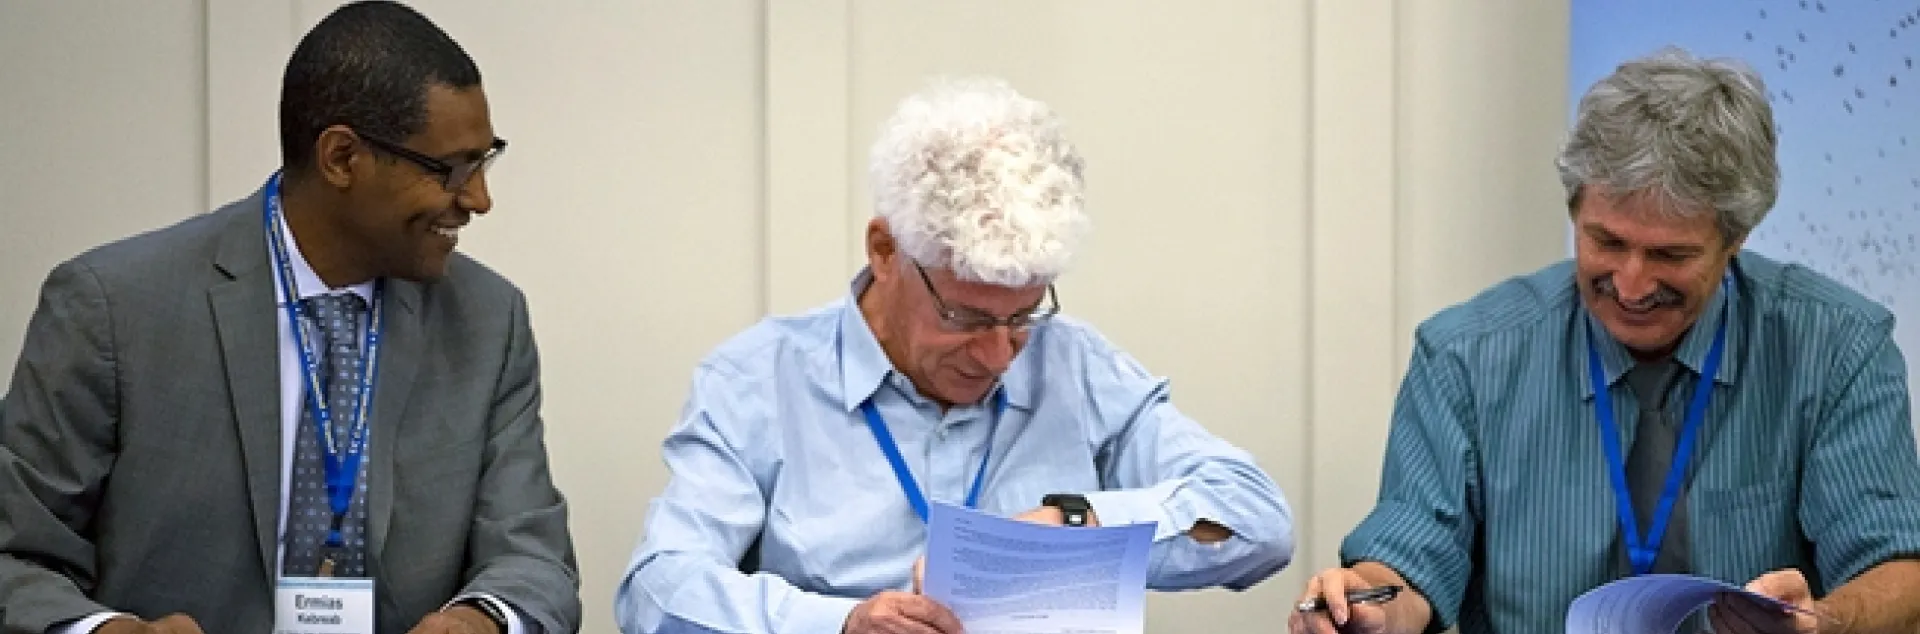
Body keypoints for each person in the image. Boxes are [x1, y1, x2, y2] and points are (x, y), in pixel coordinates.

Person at [613, 76, 1295, 634]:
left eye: (1023, 315)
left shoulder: (1075, 369)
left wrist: (1072, 525)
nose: (1000, 354)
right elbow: (658, 588)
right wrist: (840, 623)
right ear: (884, 252)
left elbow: (1257, 520)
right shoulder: (758, 381)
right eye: (966, 317)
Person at [1290, 47, 1920, 634]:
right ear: (1574, 213)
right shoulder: (1465, 354)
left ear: (1735, 242)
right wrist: (1367, 605)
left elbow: (1900, 569)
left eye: (1669, 254)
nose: (1631, 282)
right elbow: (1410, 552)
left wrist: (1828, 620)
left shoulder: (1837, 348)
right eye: (1607, 242)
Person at [0, 2, 580, 633]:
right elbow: (17, 555)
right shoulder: (110, 308)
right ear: (341, 158)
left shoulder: (489, 320)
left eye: (484, 161)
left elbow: (534, 556)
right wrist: (106, 631)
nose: (478, 199)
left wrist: (481, 621)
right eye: (452, 170)